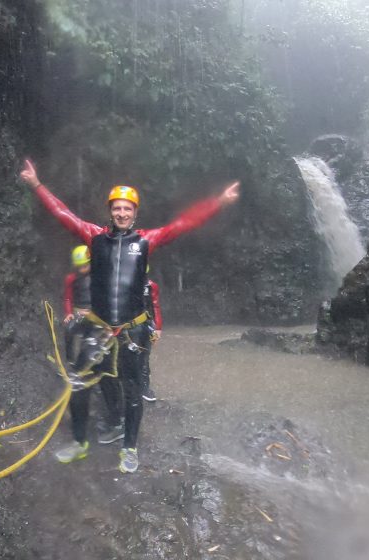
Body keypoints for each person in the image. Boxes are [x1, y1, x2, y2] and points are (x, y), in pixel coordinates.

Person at [20, 159, 239, 473]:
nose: (122, 213)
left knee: (133, 391)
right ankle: (80, 443)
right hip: (100, 328)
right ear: (111, 211)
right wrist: (36, 185)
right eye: (117, 208)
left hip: (132, 331)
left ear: (135, 213)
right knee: (79, 383)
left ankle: (130, 448)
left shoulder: (146, 241)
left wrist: (218, 203)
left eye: (127, 209)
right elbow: (62, 214)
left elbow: (184, 224)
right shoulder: (94, 237)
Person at [62, 245, 124, 445]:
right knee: (71, 334)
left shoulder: (101, 277)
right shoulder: (73, 279)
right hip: (87, 323)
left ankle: (117, 421)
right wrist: (71, 313)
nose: (82, 269)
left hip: (104, 328)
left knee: (107, 375)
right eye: (78, 266)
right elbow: (69, 297)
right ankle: (72, 364)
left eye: (84, 266)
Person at [141, 270, 162, 402]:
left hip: (145, 325)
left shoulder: (151, 286)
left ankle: (144, 388)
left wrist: (158, 329)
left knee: (144, 357)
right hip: (123, 325)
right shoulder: (121, 283)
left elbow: (155, 307)